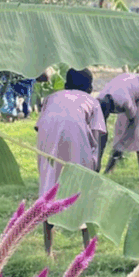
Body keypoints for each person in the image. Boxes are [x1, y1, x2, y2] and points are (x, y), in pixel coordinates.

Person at [36, 68, 109, 255]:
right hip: (77, 141)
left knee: (49, 188)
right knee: (82, 191)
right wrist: (96, 161)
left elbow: (39, 126)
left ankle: (48, 251)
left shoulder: (51, 98)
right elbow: (98, 134)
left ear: (66, 84)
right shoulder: (92, 101)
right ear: (90, 87)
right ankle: (87, 247)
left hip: (47, 143)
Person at [97, 72, 139, 188]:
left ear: (112, 107)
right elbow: (101, 133)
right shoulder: (99, 100)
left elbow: (132, 119)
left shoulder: (123, 101)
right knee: (120, 130)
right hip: (128, 88)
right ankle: (108, 171)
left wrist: (124, 139)